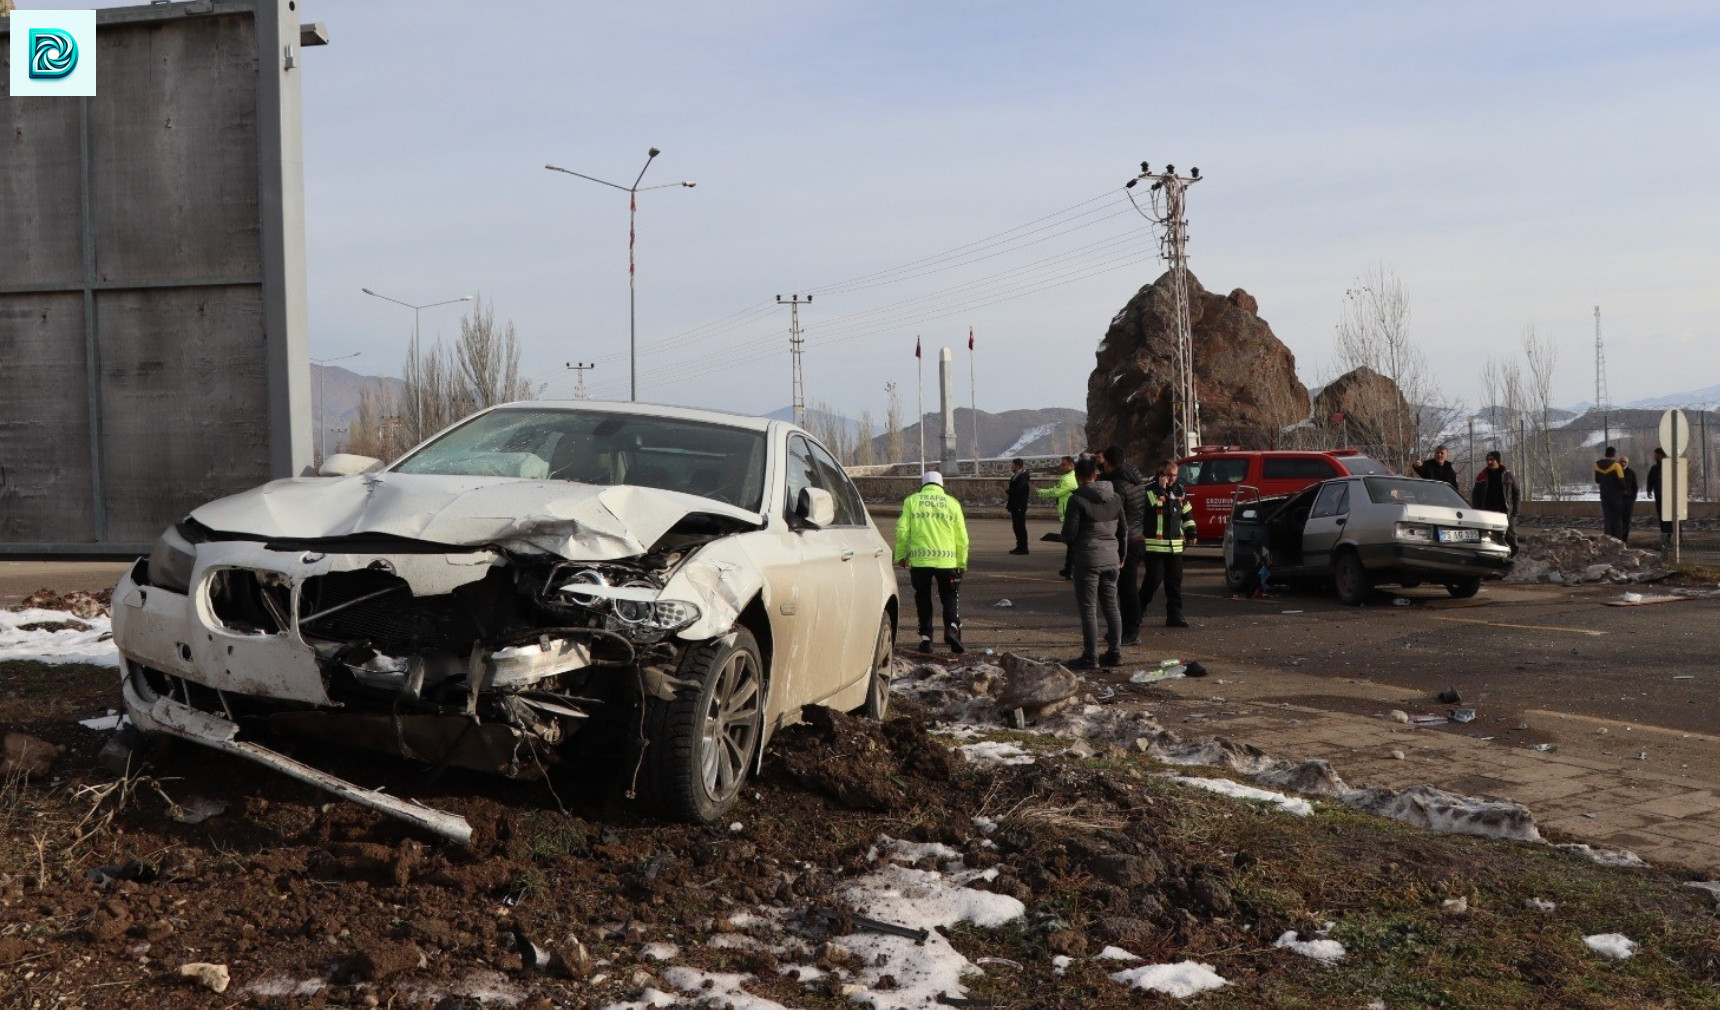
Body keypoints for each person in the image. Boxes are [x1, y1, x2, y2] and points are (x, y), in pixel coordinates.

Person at [893, 471, 969, 654]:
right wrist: (962, 563)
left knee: (923, 599)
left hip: (920, 562)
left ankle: (926, 639)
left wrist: (901, 556)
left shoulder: (912, 501)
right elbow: (962, 537)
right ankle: (951, 628)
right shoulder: (952, 503)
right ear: (941, 485)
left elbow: (902, 530)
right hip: (948, 562)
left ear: (923, 485)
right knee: (949, 597)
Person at [1060, 457, 1125, 669]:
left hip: (1088, 559)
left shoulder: (1077, 499)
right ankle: (1115, 653)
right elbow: (1123, 530)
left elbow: (1070, 533)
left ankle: (1090, 656)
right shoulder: (1115, 498)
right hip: (1112, 559)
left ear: (1078, 477)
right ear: (1095, 475)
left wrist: (1066, 539)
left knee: (1088, 609)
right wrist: (1121, 557)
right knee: (1111, 606)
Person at [1099, 445, 1148, 645]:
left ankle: (1130, 631)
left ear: (1108, 463)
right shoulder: (1136, 480)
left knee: (1126, 591)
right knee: (1126, 589)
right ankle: (1124, 630)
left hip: (1125, 541)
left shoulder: (1117, 484)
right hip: (1137, 537)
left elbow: (1113, 515)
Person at [1141, 459, 1196, 628]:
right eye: (1168, 475)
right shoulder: (1150, 490)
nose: (1172, 478)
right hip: (1156, 546)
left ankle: (1175, 616)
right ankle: (1136, 613)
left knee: (1174, 584)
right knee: (1152, 582)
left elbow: (1186, 514)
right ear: (1161, 474)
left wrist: (1191, 532)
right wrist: (1161, 489)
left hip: (1175, 547)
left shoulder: (1180, 490)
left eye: (1174, 475)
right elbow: (1153, 507)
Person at [1472, 450, 1521, 554]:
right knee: (1488, 536)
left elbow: (1516, 492)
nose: (1489, 462)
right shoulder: (1482, 475)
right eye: (1487, 460)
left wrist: (1515, 511)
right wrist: (1477, 510)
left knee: (1510, 535)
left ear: (1498, 461)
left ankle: (1512, 555)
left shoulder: (1507, 475)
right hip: (1487, 511)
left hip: (1505, 511)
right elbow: (1475, 495)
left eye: (1492, 460)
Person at [1036, 456, 1078, 577]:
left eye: (1064, 465)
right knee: (1071, 544)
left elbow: (1056, 492)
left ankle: (1070, 569)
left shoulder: (1068, 479)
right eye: (1061, 464)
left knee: (1071, 544)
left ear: (1071, 465)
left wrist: (1040, 492)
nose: (1061, 467)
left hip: (1068, 514)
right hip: (1068, 513)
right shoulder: (1069, 477)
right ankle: (1069, 568)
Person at [1595, 446, 1626, 540]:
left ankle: (1607, 540)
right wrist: (1624, 489)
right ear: (1614, 454)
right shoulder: (1617, 466)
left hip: (1604, 496)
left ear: (1605, 454)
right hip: (1616, 496)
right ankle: (1618, 540)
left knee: (1607, 519)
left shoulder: (1597, 465)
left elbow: (1597, 480)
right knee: (1617, 519)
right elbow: (1621, 481)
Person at [1646, 447, 1673, 552]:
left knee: (1668, 520)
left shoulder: (1669, 466)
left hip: (1668, 497)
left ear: (1660, 455)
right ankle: (1665, 541)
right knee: (1662, 520)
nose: (1654, 457)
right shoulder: (1655, 468)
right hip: (1659, 497)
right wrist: (1649, 490)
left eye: (1656, 455)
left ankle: (1667, 542)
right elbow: (1650, 480)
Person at [1006, 458, 1031, 555]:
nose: (1011, 467)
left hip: (1020, 505)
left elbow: (1019, 490)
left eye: (1012, 465)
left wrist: (1009, 491)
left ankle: (1024, 547)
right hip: (1014, 505)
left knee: (1020, 527)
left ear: (1017, 466)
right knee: (1016, 526)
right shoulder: (1016, 476)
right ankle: (1019, 546)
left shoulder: (1023, 477)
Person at [1620, 455, 1639, 546]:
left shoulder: (1631, 473)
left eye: (1625, 462)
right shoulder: (1615, 472)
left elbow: (1635, 487)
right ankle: (1618, 539)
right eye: (1621, 461)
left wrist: (1633, 499)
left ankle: (1624, 540)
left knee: (1626, 522)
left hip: (1628, 501)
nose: (1623, 463)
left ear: (1627, 463)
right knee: (1618, 521)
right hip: (1618, 501)